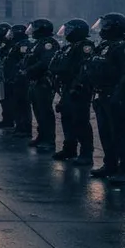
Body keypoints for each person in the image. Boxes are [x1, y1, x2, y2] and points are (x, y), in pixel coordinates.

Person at [83, 14, 125, 182]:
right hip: (102, 94)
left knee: (120, 133)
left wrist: (118, 96)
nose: (102, 29)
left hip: (117, 96)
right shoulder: (104, 46)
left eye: (105, 25)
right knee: (105, 132)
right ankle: (110, 165)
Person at [51, 19, 95, 162]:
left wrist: (77, 85)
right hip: (67, 87)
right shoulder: (69, 46)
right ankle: (69, 149)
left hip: (78, 89)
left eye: (69, 29)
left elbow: (85, 68)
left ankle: (86, 153)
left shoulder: (85, 46)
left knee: (80, 121)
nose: (66, 33)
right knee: (67, 118)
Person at [23, 19, 58, 149]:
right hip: (35, 81)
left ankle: (49, 140)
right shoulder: (38, 43)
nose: (32, 31)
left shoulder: (49, 43)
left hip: (44, 81)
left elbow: (45, 62)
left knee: (45, 111)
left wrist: (29, 70)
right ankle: (41, 135)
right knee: (38, 110)